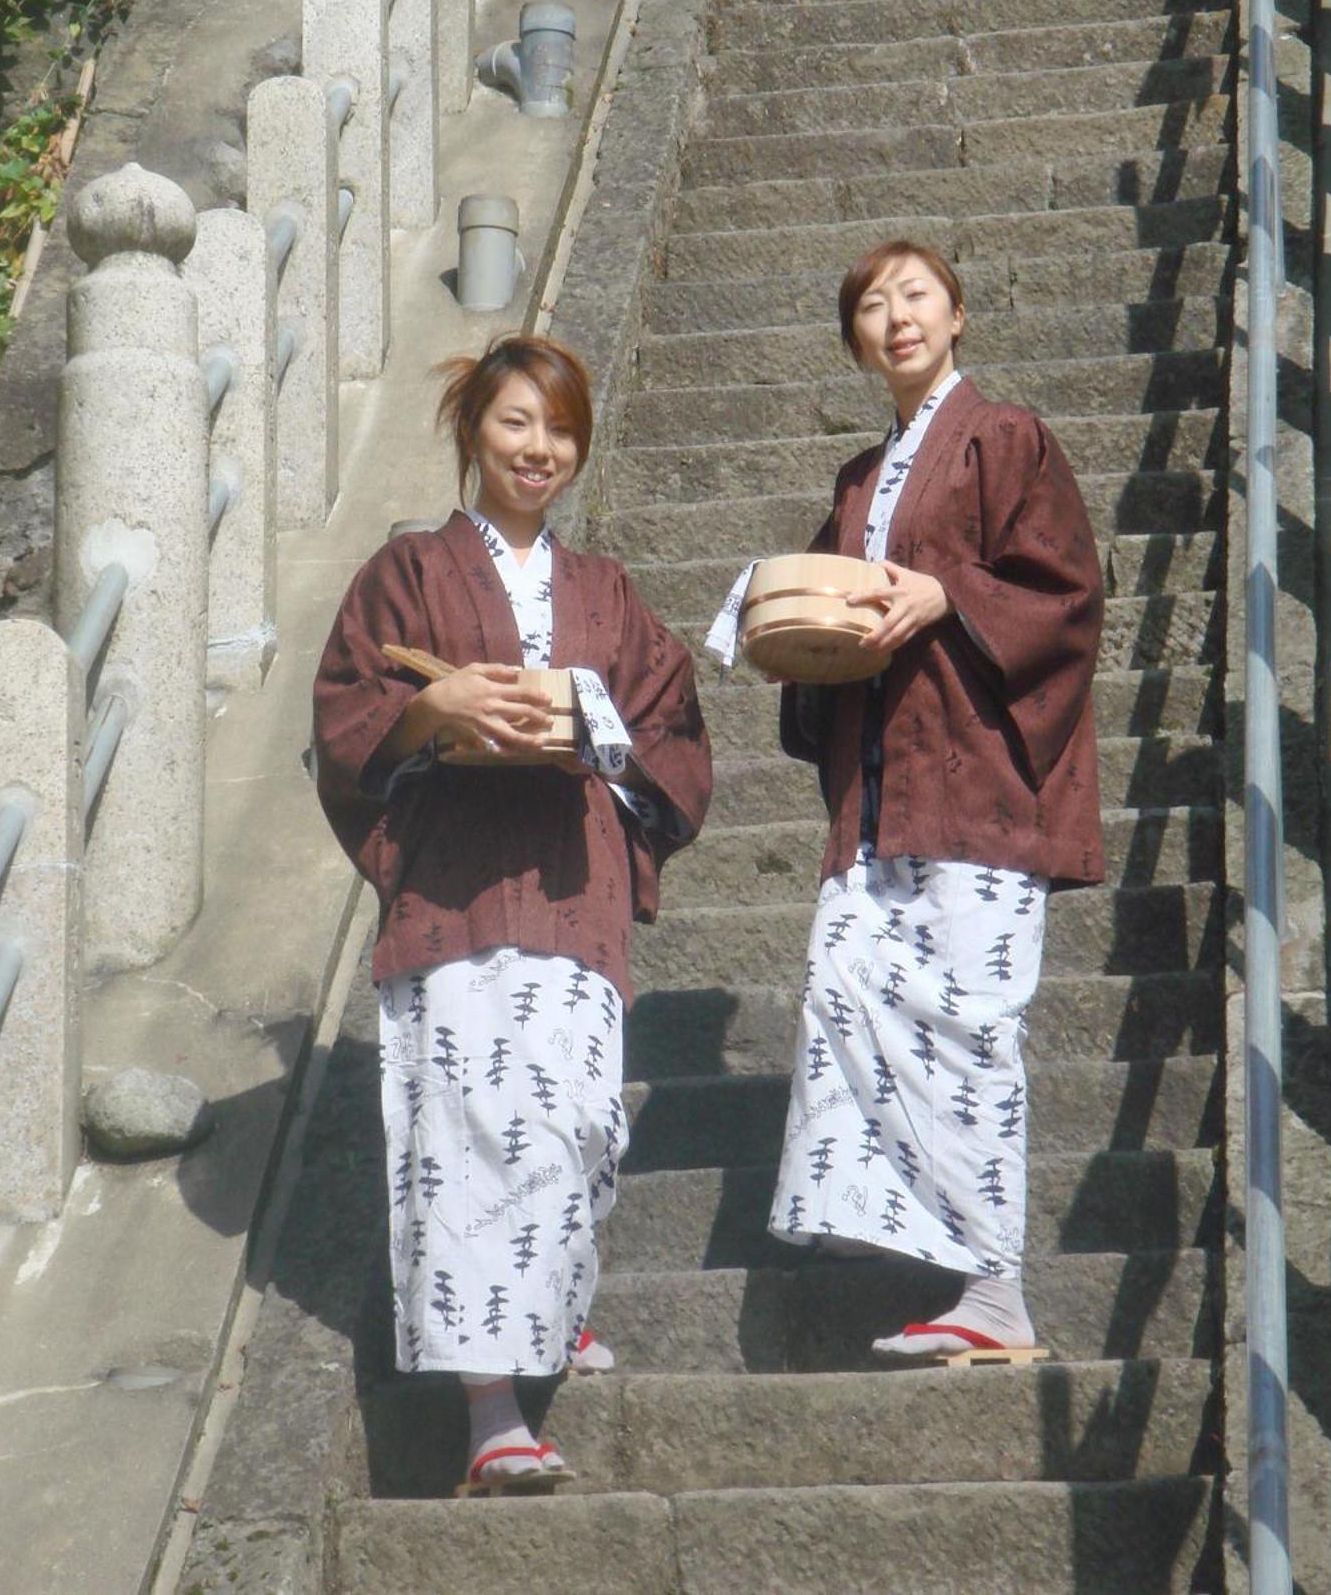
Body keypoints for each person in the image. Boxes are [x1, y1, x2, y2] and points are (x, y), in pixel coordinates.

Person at [312, 336, 711, 1492]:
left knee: (582, 1123)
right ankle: (495, 1416)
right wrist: (433, 708)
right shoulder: (407, 575)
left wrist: (597, 730)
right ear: (472, 431)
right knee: (475, 1133)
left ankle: (556, 1299)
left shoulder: (608, 593)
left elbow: (674, 733)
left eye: (560, 430)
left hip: (574, 886)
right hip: (457, 889)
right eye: (516, 424)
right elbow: (348, 716)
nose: (540, 449)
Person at [733, 239, 1104, 1361]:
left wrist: (950, 591)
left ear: (957, 314)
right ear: (855, 339)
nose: (895, 316)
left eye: (915, 295)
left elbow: (1070, 592)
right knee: (845, 978)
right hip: (882, 792)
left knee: (974, 1026)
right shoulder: (859, 479)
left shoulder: (1006, 438)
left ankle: (995, 1294)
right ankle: (891, 1217)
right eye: (871, 305)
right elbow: (822, 623)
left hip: (980, 783)